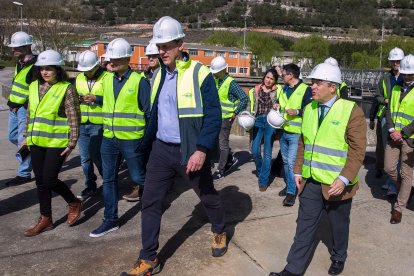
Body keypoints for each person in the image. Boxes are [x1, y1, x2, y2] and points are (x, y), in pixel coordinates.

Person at [121, 16, 227, 276]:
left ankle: (219, 228)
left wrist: (202, 149)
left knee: (207, 196)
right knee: (151, 201)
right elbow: (154, 115)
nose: (162, 50)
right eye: (159, 46)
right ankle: (148, 258)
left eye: (167, 45)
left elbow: (214, 115)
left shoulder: (200, 73)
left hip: (189, 150)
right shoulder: (156, 75)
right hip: (160, 149)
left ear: (181, 43)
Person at [270, 62, 366, 276]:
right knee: (304, 227)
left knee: (338, 225)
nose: (312, 86)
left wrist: (344, 179)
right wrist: (297, 170)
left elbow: (358, 151)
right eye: (312, 82)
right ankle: (292, 269)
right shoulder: (310, 109)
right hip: (310, 181)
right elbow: (304, 142)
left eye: (317, 82)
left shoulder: (352, 111)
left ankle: (339, 256)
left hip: (336, 184)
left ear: (333, 87)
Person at [89, 38, 151, 238]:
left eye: (115, 58)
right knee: (108, 180)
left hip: (132, 139)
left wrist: (146, 141)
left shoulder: (139, 81)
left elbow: (149, 113)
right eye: (109, 58)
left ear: (126, 58)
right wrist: (95, 99)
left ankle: (154, 203)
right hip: (109, 138)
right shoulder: (107, 79)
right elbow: (109, 101)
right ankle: (110, 220)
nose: (111, 62)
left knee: (138, 177)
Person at [22, 50, 83, 237]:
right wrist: (26, 136)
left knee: (49, 179)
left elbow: (74, 117)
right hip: (36, 141)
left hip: (57, 143)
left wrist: (72, 142)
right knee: (40, 181)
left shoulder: (67, 88)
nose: (45, 72)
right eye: (42, 69)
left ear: (58, 69)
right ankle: (45, 218)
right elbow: (31, 113)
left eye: (49, 69)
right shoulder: (33, 86)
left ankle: (73, 202)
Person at [370, 47, 404, 196]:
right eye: (393, 61)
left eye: (398, 61)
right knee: (388, 149)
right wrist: (384, 100)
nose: (395, 63)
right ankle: (391, 182)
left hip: (402, 119)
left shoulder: (407, 77)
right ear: (390, 62)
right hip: (386, 117)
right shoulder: (384, 78)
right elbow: (376, 96)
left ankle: (395, 183)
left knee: (401, 152)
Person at [277, 63, 312, 206]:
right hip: (284, 130)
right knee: (286, 162)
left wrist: (297, 111)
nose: (282, 77)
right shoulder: (285, 89)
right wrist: (278, 106)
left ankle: (291, 193)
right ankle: (290, 185)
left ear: (291, 75)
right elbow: (284, 105)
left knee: (292, 163)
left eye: (283, 74)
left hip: (296, 134)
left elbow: (310, 109)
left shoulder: (306, 90)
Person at [385, 54, 414, 224]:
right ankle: (407, 189)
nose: (407, 76)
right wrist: (391, 128)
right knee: (389, 168)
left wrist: (403, 133)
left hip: (409, 139)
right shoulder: (396, 88)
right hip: (393, 135)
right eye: (406, 73)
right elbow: (389, 110)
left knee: (406, 172)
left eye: (410, 74)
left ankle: (399, 208)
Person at [75, 50, 108, 200]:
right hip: (83, 123)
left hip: (99, 124)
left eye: (88, 69)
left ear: (96, 66)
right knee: (85, 158)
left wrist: (97, 98)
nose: (86, 72)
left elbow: (113, 98)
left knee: (98, 157)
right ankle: (90, 186)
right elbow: (74, 96)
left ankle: (108, 183)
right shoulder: (79, 78)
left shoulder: (107, 77)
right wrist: (79, 99)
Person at [5, 31, 37, 186]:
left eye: (16, 47)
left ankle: (24, 173)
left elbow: (34, 91)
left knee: (22, 140)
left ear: (27, 46)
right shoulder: (20, 62)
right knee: (12, 137)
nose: (13, 50)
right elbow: (17, 85)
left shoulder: (35, 66)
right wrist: (12, 104)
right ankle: (35, 153)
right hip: (14, 108)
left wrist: (23, 106)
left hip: (24, 109)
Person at [210, 56, 248, 181]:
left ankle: (220, 171)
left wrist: (235, 112)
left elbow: (244, 98)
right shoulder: (217, 80)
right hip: (216, 117)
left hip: (226, 119)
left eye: (216, 71)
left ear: (223, 70)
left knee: (222, 144)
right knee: (217, 142)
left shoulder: (230, 83)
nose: (214, 73)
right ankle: (230, 158)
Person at [249, 68, 282, 191]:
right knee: (255, 150)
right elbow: (251, 106)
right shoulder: (255, 90)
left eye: (272, 79)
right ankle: (262, 170)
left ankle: (263, 180)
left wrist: (278, 105)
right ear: (264, 77)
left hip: (270, 122)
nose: (269, 80)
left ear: (275, 81)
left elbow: (283, 102)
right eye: (267, 77)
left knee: (267, 152)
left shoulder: (278, 90)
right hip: (257, 121)